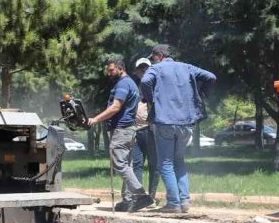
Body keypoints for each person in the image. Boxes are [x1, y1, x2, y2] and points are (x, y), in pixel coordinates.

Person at [140, 44, 216, 213]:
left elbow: (145, 81)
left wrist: (150, 98)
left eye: (153, 58)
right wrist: (203, 94)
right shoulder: (187, 67)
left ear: (159, 55)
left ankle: (173, 203)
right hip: (185, 123)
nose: (152, 61)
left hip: (164, 122)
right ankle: (185, 201)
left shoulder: (157, 69)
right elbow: (211, 77)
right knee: (179, 161)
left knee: (165, 163)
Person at [87, 58, 152, 212]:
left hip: (121, 130)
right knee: (127, 164)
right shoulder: (131, 84)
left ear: (120, 68)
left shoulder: (123, 84)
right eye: (108, 70)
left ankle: (141, 196)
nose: (109, 73)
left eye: (111, 70)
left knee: (120, 164)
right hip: (129, 130)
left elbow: (115, 107)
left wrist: (95, 119)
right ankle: (127, 200)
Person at [130, 57, 159, 206]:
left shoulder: (155, 85)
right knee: (137, 164)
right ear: (136, 71)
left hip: (151, 130)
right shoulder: (135, 87)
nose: (144, 71)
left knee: (154, 164)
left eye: (146, 68)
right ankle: (139, 197)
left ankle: (152, 196)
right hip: (137, 130)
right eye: (141, 69)